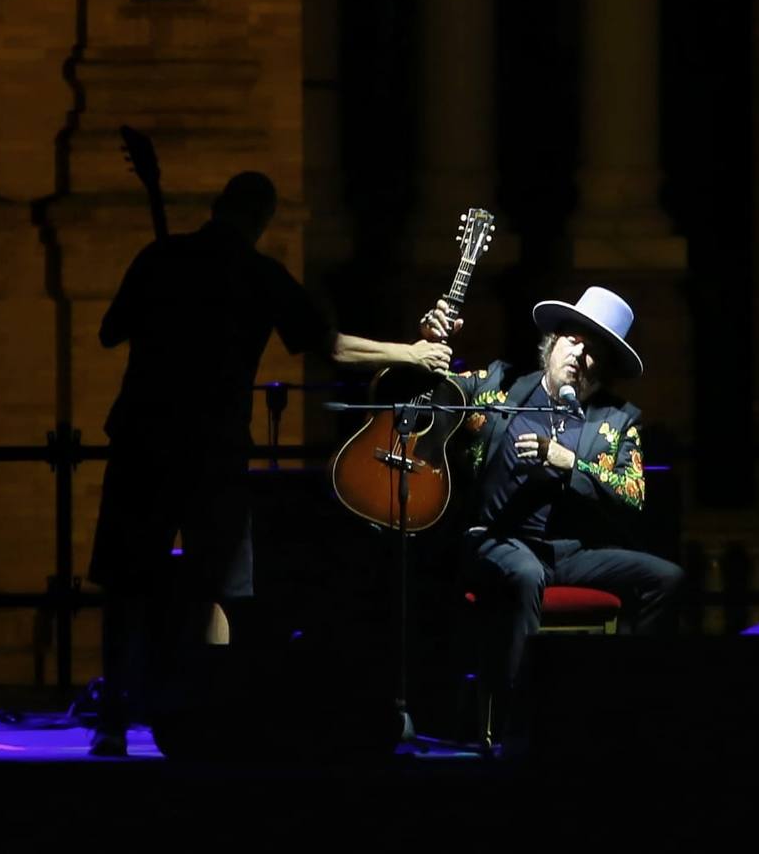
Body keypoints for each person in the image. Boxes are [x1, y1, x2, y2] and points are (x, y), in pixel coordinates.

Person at [88, 171, 451, 756]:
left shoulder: (161, 258)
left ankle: (111, 722)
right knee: (218, 583)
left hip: (144, 440)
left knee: (126, 580)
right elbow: (329, 344)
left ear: (215, 205)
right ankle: (212, 707)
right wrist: (409, 352)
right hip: (213, 449)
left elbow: (110, 332)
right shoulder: (258, 276)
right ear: (261, 221)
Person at [421, 286, 684, 744]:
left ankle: (629, 706)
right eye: (575, 340)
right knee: (524, 574)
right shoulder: (500, 387)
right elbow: (432, 398)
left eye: (595, 351)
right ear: (553, 342)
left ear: (604, 369)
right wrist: (426, 346)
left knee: (667, 577)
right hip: (493, 539)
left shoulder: (618, 422)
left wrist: (571, 464)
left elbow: (632, 498)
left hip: (566, 552)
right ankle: (514, 724)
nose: (581, 355)